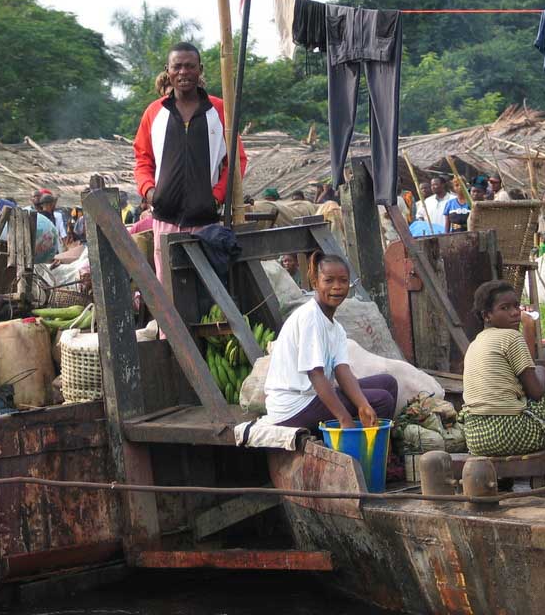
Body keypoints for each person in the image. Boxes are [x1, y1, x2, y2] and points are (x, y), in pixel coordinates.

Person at [133, 42, 246, 279]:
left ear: (200, 69)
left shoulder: (219, 110)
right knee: (168, 284)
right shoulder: (154, 112)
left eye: (190, 66)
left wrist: (216, 196)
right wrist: (150, 192)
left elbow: (237, 161)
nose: (183, 72)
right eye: (177, 67)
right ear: (168, 71)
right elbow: (142, 158)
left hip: (206, 221)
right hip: (165, 219)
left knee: (208, 286)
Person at [265, 252, 398, 431]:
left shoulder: (336, 328)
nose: (337, 287)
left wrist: (362, 404)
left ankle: (372, 437)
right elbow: (316, 374)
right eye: (328, 281)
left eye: (343, 281)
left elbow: (342, 370)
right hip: (293, 406)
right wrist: (344, 418)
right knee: (382, 400)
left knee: (388, 383)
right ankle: (361, 446)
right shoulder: (310, 317)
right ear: (315, 283)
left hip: (312, 397)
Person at [462, 280, 545, 457]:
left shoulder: (475, 342)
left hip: (475, 437)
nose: (515, 313)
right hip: (509, 434)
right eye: (505, 308)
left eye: (516, 306)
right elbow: (536, 392)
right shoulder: (511, 337)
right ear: (487, 316)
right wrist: (543, 371)